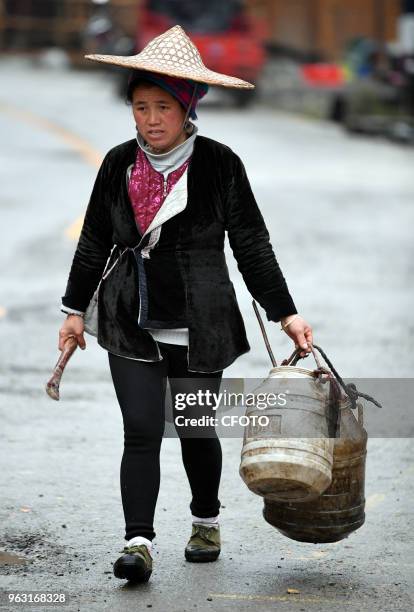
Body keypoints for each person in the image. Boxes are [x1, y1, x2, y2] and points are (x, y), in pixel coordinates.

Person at [58, 25, 313, 583]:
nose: (151, 119)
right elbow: (94, 241)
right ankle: (138, 541)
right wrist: (75, 311)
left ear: (189, 106)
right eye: (141, 106)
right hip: (130, 317)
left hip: (199, 321)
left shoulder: (220, 165)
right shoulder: (118, 164)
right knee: (142, 430)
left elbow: (251, 246)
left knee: (195, 429)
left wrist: (285, 312)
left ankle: (204, 520)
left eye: (163, 107)